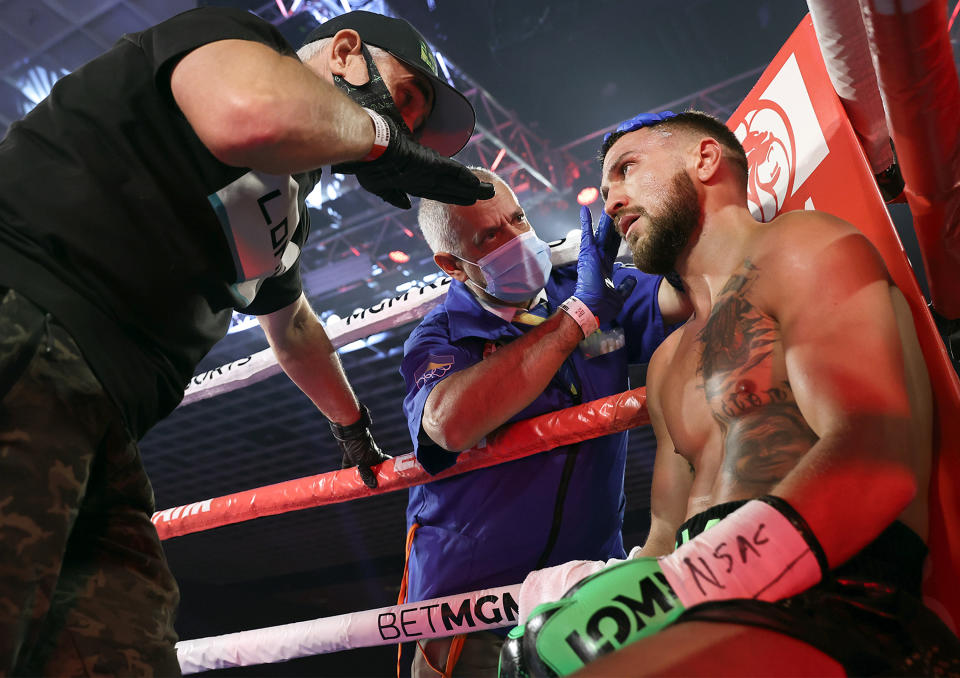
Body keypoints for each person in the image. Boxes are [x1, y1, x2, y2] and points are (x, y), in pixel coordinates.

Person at [0, 6, 493, 675]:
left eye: (409, 121)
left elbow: (291, 327)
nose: (403, 125)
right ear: (346, 51)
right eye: (403, 97)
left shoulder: (286, 203)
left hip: (101, 415)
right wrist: (378, 132)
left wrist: (353, 429)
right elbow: (247, 115)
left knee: (122, 646)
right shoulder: (236, 40)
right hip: (24, 327)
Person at [499, 111, 960, 677]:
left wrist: (678, 588)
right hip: (708, 609)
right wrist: (603, 593)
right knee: (535, 660)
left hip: (843, 601)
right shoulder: (667, 361)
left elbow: (876, 455)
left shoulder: (800, 246)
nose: (611, 199)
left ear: (706, 159)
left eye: (627, 169)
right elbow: (666, 536)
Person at [398, 166, 690, 676]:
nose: (517, 239)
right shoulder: (441, 336)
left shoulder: (592, 286)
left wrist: (661, 228)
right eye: (491, 235)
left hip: (588, 590)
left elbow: (683, 297)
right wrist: (574, 320)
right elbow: (449, 425)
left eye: (518, 219)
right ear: (453, 263)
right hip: (470, 612)